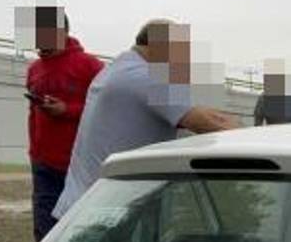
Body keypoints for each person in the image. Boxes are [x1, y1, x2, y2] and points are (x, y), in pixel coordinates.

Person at [52, 19, 238, 220]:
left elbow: (193, 113)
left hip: (84, 203)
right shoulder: (147, 77)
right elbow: (209, 124)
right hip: (107, 212)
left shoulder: (119, 69)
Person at [24, 9, 102, 241]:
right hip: (43, 165)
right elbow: (33, 115)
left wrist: (66, 110)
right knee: (45, 229)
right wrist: (34, 152)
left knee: (84, 229)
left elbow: (103, 110)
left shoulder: (90, 66)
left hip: (79, 165)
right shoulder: (34, 69)